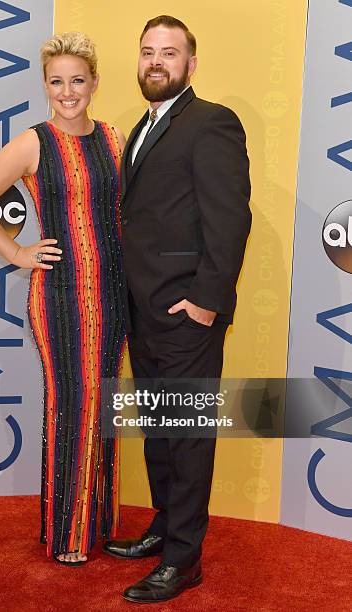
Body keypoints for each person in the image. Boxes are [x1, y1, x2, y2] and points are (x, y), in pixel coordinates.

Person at [0, 32, 127, 565]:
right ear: (45, 85)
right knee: (71, 402)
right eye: (57, 82)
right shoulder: (34, 141)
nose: (68, 92)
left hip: (115, 293)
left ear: (94, 82)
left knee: (104, 402)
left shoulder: (116, 139)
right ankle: (66, 534)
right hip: (59, 294)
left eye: (77, 81)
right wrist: (16, 253)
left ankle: (96, 522)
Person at [103, 15, 251, 602]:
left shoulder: (211, 122)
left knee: (188, 437)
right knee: (162, 432)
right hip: (145, 313)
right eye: (147, 52)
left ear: (191, 64)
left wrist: (207, 303)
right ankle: (164, 530)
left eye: (169, 52)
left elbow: (229, 219)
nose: (156, 61)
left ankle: (185, 560)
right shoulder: (141, 125)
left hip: (188, 313)